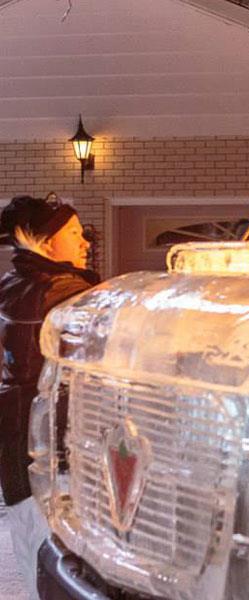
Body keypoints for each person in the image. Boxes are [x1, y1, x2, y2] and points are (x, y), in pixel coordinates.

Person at [0, 195, 99, 599]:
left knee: (30, 528)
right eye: (73, 233)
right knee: (64, 543)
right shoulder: (61, 290)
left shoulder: (13, 282)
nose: (85, 241)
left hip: (16, 427)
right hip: (55, 434)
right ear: (46, 242)